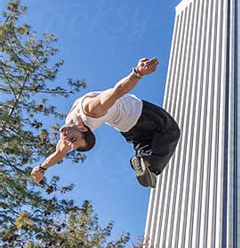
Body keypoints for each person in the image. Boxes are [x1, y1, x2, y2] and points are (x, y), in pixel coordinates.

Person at [31, 57, 180, 189]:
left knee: (145, 144)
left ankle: (144, 160)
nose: (65, 139)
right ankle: (150, 166)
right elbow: (117, 92)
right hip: (141, 114)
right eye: (71, 141)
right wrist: (137, 73)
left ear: (82, 128)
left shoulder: (80, 121)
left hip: (128, 130)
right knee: (170, 131)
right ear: (83, 128)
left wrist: (42, 168)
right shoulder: (92, 110)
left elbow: (58, 153)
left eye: (70, 141)